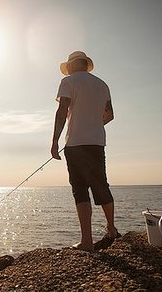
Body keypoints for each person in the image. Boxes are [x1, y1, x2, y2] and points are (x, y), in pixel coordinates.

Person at [51, 51, 119, 251]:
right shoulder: (102, 84)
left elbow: (62, 110)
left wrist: (54, 140)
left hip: (75, 144)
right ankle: (111, 228)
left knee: (80, 189)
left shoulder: (68, 82)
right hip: (97, 143)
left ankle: (87, 242)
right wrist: (95, 125)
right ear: (85, 64)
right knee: (101, 185)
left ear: (71, 66)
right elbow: (110, 115)